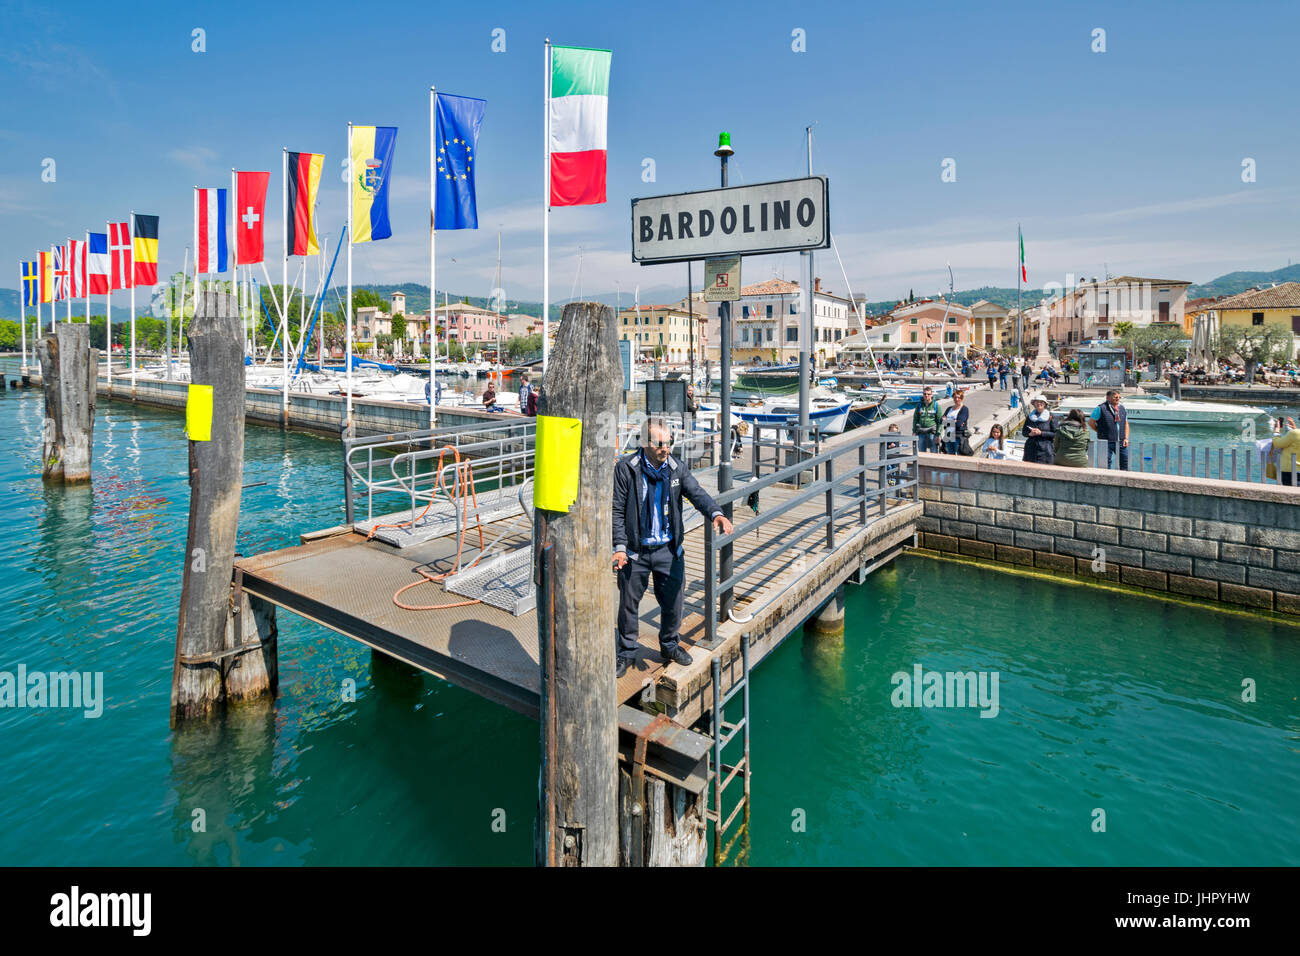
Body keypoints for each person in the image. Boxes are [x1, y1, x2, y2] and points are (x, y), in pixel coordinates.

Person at [612, 420, 734, 678]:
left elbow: (697, 493)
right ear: (644, 443)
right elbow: (617, 511)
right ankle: (626, 652)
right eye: (659, 443)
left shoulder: (676, 468)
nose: (665, 448)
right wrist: (620, 547)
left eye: (669, 442)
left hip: (668, 550)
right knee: (628, 605)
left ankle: (669, 645)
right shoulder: (626, 469)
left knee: (673, 602)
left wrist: (715, 514)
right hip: (636, 552)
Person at [1087, 389, 1129, 470]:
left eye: (1119, 397)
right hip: (1106, 442)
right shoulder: (1100, 408)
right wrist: (1100, 431)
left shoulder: (1122, 408)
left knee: (1124, 463)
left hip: (1121, 441)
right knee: (1105, 464)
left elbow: (1126, 424)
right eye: (1115, 397)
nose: (1118, 399)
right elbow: (1091, 422)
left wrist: (1126, 438)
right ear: (1108, 398)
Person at [1021, 393, 1056, 464]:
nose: (1039, 404)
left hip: (1046, 450)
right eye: (1037, 402)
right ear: (1034, 404)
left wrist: (1041, 433)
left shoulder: (1051, 417)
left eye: (1041, 402)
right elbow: (1024, 432)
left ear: (1045, 404)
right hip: (1031, 449)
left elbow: (1056, 433)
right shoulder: (1030, 417)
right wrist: (1030, 434)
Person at [911, 385, 943, 453]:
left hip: (932, 433)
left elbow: (940, 421)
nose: (926, 395)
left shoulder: (936, 406)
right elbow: (915, 419)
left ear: (931, 395)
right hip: (921, 433)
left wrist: (938, 434)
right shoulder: (919, 405)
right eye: (925, 394)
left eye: (928, 394)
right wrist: (914, 431)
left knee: (934, 453)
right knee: (921, 453)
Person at [940, 388, 969, 455]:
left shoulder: (964, 409)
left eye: (958, 398)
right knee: (949, 455)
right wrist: (953, 421)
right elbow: (941, 421)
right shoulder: (949, 408)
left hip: (958, 435)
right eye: (955, 397)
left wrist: (946, 421)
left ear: (962, 398)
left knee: (959, 455)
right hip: (948, 435)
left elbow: (959, 424)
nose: (956, 399)